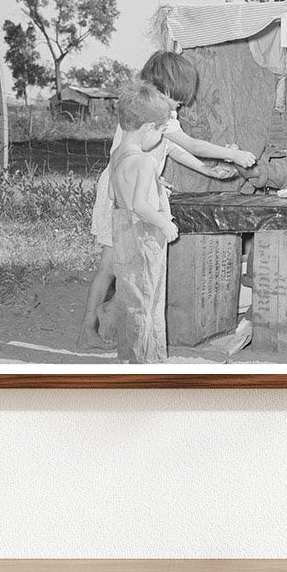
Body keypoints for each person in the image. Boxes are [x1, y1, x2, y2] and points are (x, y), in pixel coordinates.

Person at [79, 51, 257, 348]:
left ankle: (112, 320)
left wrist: (205, 168)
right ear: (165, 88)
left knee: (132, 265)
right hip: (120, 192)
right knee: (111, 266)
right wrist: (232, 154)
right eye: (178, 98)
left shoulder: (159, 113)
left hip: (135, 188)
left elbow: (173, 147)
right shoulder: (147, 111)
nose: (180, 105)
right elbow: (189, 143)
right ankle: (90, 328)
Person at [108, 83, 180, 363]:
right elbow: (140, 205)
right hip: (144, 236)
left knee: (131, 298)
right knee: (149, 300)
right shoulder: (146, 161)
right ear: (148, 127)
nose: (160, 138)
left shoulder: (118, 155)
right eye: (160, 132)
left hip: (122, 232)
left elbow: (120, 195)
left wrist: (157, 188)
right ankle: (147, 362)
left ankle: (129, 357)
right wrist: (164, 223)